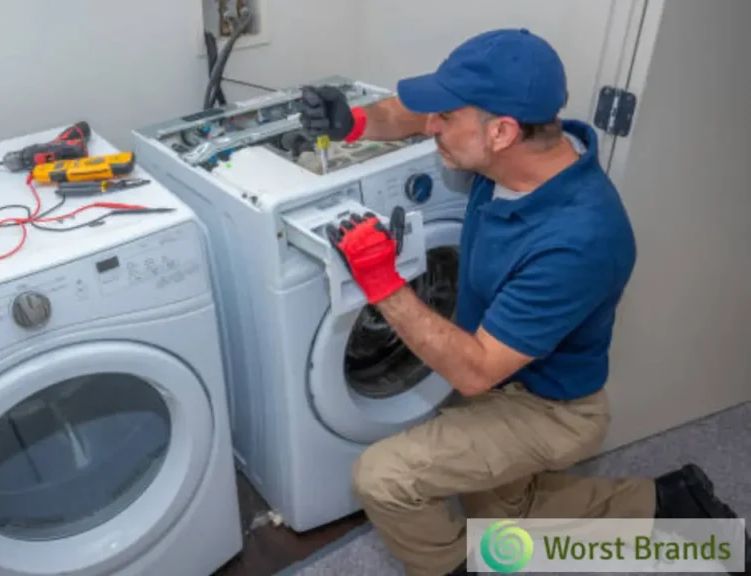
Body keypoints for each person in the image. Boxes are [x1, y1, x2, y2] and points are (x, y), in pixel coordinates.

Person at [299, 28, 747, 575]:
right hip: (507, 375)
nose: (431, 127)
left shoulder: (580, 238)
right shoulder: (518, 153)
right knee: (509, 516)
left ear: (503, 132)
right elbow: (413, 114)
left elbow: (476, 373)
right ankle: (665, 503)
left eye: (446, 118)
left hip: (549, 408)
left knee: (384, 477)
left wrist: (383, 284)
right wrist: (355, 123)